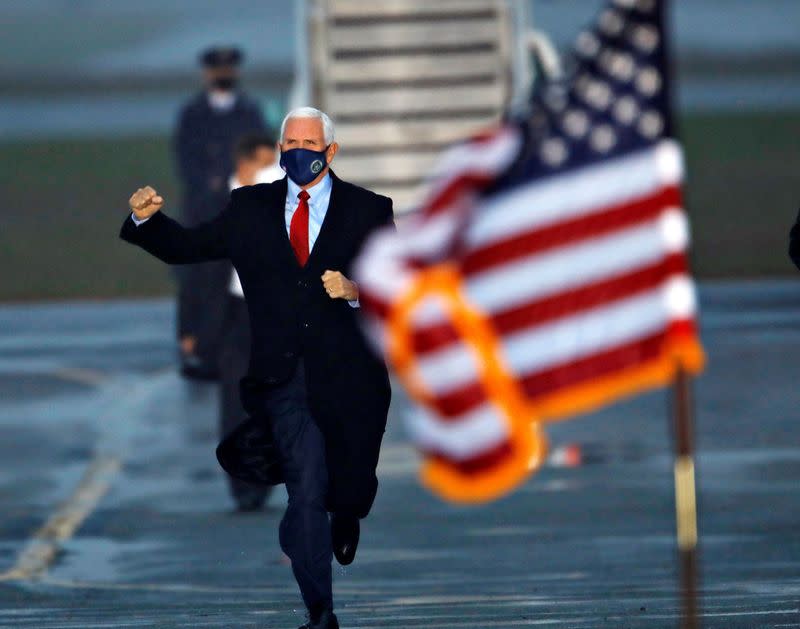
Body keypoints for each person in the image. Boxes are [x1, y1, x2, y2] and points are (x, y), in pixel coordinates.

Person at [121, 107, 394, 629]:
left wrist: (357, 290)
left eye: (308, 143)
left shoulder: (368, 210)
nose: (297, 151)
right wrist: (145, 221)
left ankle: (347, 513)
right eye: (289, 141)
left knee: (347, 486)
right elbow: (189, 247)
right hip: (283, 379)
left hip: (351, 379)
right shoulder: (250, 208)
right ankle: (321, 611)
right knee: (306, 487)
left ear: (330, 151)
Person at [173, 46, 267, 380]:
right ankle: (200, 350)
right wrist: (211, 186)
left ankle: (237, 351)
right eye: (217, 70)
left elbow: (262, 156)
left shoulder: (250, 113)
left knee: (240, 285)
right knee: (201, 281)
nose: (223, 75)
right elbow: (185, 161)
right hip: (204, 214)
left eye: (228, 69)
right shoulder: (192, 115)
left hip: (239, 211)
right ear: (207, 74)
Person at [220, 132, 283, 512]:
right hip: (234, 315)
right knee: (233, 401)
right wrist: (191, 330)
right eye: (266, 166)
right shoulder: (217, 203)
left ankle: (261, 480)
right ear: (245, 166)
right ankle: (240, 482)